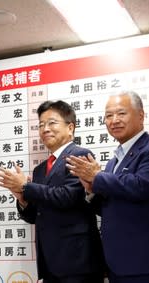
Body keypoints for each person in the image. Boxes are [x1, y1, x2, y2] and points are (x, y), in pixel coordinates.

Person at [0, 100, 105, 283]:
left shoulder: (79, 156)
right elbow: (35, 215)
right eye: (41, 125)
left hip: (78, 260)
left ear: (70, 128)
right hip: (48, 262)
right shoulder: (39, 170)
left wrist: (26, 186)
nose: (45, 129)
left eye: (52, 123)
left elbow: (69, 196)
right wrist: (22, 199)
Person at [66, 91, 149, 282]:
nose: (114, 120)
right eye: (109, 115)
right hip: (116, 262)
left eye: (121, 113)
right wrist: (91, 191)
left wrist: (97, 177)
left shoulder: (146, 149)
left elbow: (142, 185)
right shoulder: (113, 162)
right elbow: (110, 208)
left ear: (141, 115)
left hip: (142, 262)